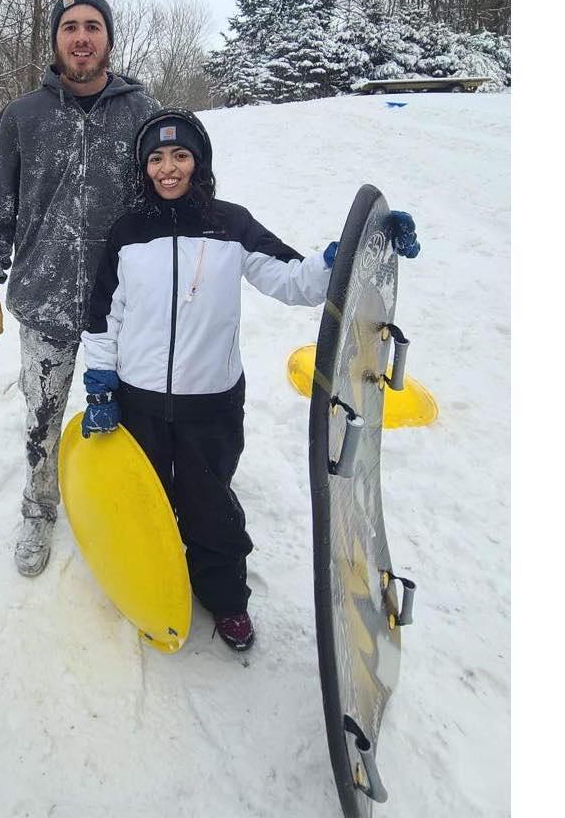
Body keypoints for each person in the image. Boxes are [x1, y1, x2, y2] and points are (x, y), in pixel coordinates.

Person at [79, 110, 420, 651]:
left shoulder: (231, 224)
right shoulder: (127, 232)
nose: (168, 169)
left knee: (209, 504)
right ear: (143, 168)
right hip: (137, 397)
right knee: (144, 498)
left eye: (181, 156)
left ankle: (225, 598)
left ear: (199, 162)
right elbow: (103, 315)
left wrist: (350, 253)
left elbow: (292, 278)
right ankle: (150, 577)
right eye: (156, 158)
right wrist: (100, 385)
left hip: (210, 402)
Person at [0, 0, 159, 577]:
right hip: (44, 300)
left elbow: (172, 193)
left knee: (131, 417)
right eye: (70, 26)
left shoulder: (142, 113)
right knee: (43, 415)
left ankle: (127, 509)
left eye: (93, 26)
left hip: (123, 304)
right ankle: (38, 507)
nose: (82, 37)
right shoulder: (22, 117)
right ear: (55, 39)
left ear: (108, 38)